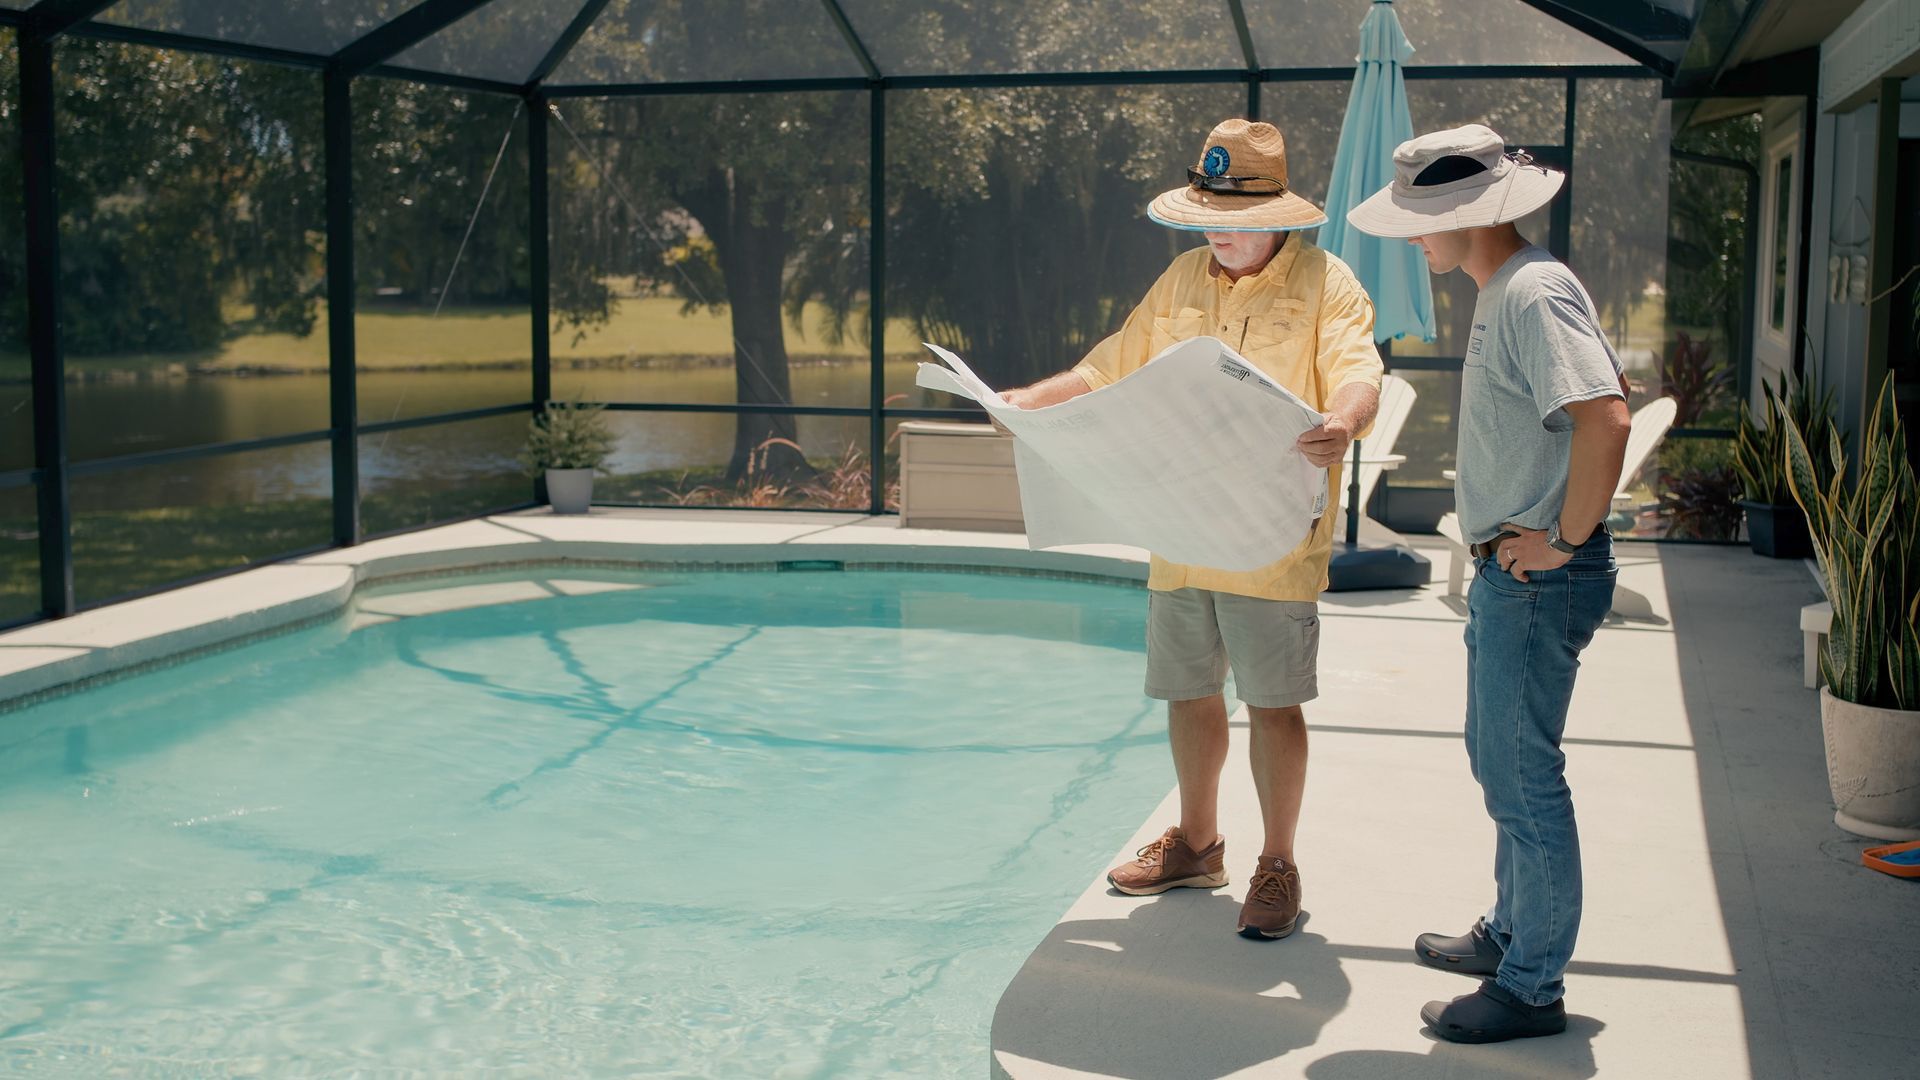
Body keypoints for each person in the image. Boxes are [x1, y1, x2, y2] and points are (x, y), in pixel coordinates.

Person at [1000, 118, 1383, 941]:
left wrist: (1345, 422)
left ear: (1277, 214)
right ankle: (1198, 846)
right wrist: (1026, 402)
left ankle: (1277, 863)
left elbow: (1358, 370)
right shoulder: (1180, 277)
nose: (1219, 232)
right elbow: (1108, 365)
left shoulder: (1329, 283)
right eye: (1209, 215)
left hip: (1272, 539)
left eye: (1235, 218)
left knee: (1273, 704)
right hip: (1178, 526)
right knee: (1188, 691)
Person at [1347, 124, 1630, 1042]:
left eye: (1419, 222)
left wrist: (1563, 541)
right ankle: (1512, 934)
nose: (1412, 240)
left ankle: (1531, 986)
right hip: (1512, 574)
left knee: (1522, 776)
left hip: (1537, 577)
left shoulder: (1533, 291)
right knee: (1499, 761)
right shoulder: (1504, 289)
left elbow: (1606, 419)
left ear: (1466, 216)